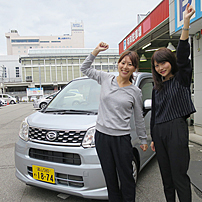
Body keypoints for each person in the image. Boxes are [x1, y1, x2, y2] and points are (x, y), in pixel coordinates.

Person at [80, 42, 148, 202]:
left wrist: (143, 139)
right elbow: (85, 68)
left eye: (129, 64)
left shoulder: (135, 91)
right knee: (110, 179)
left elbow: (138, 117)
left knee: (127, 179)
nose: (125, 67)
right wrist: (95, 51)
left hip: (121, 140)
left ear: (134, 68)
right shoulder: (106, 78)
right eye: (122, 63)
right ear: (118, 64)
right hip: (102, 138)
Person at [150, 4, 196, 202]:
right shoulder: (156, 87)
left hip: (176, 129)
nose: (161, 67)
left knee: (179, 177)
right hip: (159, 133)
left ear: (171, 61)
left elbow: (184, 54)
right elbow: (154, 114)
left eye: (164, 62)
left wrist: (185, 22)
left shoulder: (181, 77)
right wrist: (153, 137)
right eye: (157, 65)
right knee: (166, 178)